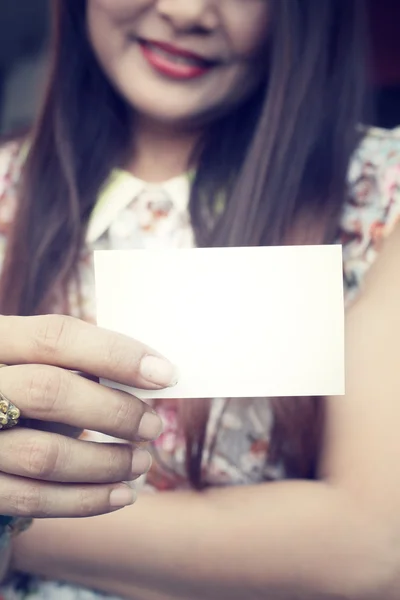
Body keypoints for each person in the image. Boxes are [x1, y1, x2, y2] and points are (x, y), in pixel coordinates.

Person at [0, 0, 400, 598]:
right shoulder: (9, 187)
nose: (186, 11)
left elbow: (373, 549)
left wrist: (19, 518)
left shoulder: (381, 195)